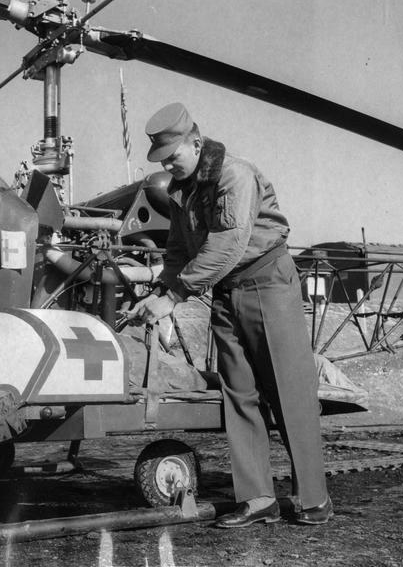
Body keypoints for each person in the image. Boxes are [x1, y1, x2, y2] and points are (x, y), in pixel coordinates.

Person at [128, 102, 332, 527]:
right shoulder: (182, 190)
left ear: (196, 143)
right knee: (238, 393)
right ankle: (258, 499)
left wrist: (178, 293)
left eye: (173, 156)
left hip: (268, 285)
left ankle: (314, 498)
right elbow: (180, 251)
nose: (168, 165)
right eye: (162, 160)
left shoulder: (235, 174)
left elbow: (229, 242)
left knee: (288, 393)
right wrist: (160, 292)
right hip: (225, 290)